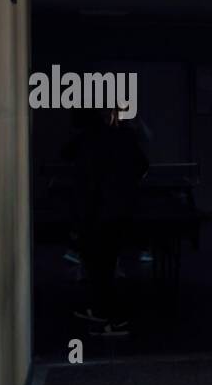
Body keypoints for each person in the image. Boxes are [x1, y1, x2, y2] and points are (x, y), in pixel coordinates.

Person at [64, 107, 149, 336]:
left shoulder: (85, 141)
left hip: (94, 214)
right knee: (107, 266)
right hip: (118, 212)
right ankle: (106, 314)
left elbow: (72, 163)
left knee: (97, 267)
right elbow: (142, 166)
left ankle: (109, 316)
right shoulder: (124, 137)